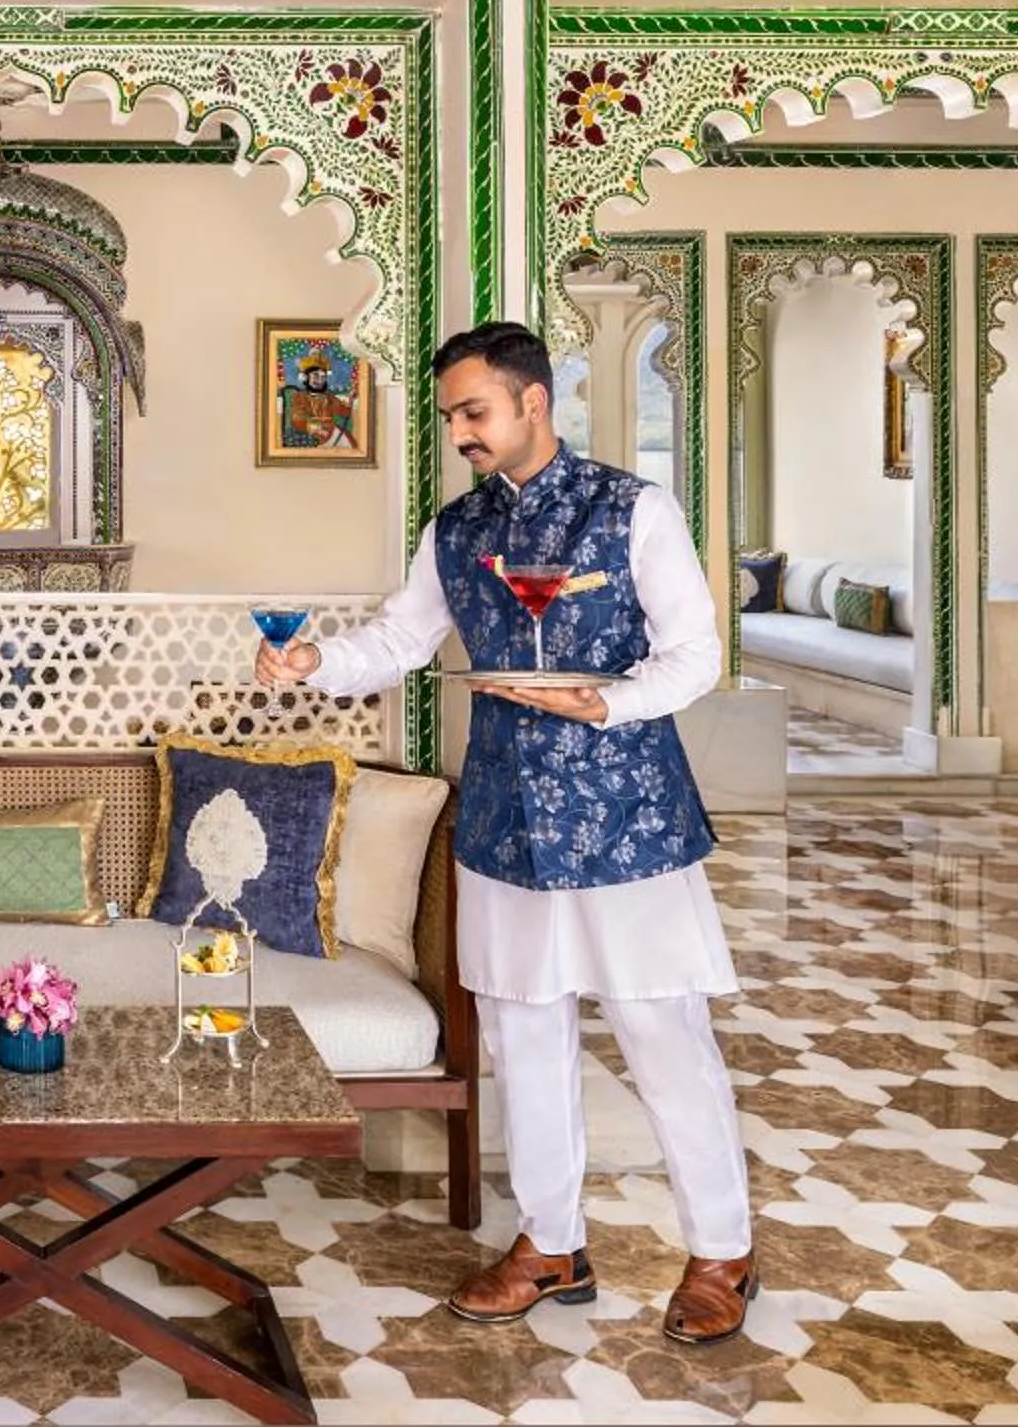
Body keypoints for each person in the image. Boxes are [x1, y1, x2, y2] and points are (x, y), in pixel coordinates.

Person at [257, 319, 757, 1345]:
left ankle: (722, 1252)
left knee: (664, 1033)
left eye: (475, 412)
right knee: (526, 1037)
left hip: (629, 817)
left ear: (537, 401)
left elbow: (695, 655)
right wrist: (316, 667)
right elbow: (401, 638)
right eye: (451, 418)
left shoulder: (634, 509)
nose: (463, 434)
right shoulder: (454, 529)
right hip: (504, 816)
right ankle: (551, 1242)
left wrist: (602, 703)